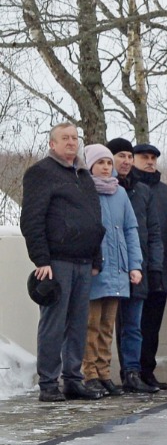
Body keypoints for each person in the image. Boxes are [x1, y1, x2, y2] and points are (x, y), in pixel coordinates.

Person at [21, 123, 106, 402]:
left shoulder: (84, 175)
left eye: (74, 138)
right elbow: (32, 219)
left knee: (79, 324)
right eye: (64, 138)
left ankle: (73, 379)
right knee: (53, 325)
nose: (71, 142)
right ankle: (48, 382)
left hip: (83, 261)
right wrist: (41, 258)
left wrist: (96, 257)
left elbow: (95, 220)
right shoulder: (40, 173)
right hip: (56, 262)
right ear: (52, 144)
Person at [80, 145, 143, 397]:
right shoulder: (84, 192)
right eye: (101, 162)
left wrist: (135, 265)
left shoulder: (120, 194)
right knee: (90, 325)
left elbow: (130, 230)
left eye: (109, 162)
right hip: (96, 269)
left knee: (108, 326)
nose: (106, 167)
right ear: (90, 165)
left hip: (119, 270)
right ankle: (90, 374)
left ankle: (105, 373)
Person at [106, 138, 161, 394]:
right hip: (108, 267)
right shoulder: (101, 188)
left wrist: (153, 267)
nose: (126, 161)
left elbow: (153, 232)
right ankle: (98, 374)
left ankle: (132, 372)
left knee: (133, 326)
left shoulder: (143, 191)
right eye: (121, 156)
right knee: (102, 325)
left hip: (138, 267)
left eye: (129, 156)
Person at [131, 143, 167, 389]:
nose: (149, 161)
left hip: (161, 270)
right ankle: (131, 371)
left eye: (153, 158)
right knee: (131, 325)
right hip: (134, 269)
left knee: (152, 326)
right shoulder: (126, 188)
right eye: (144, 157)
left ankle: (148, 371)